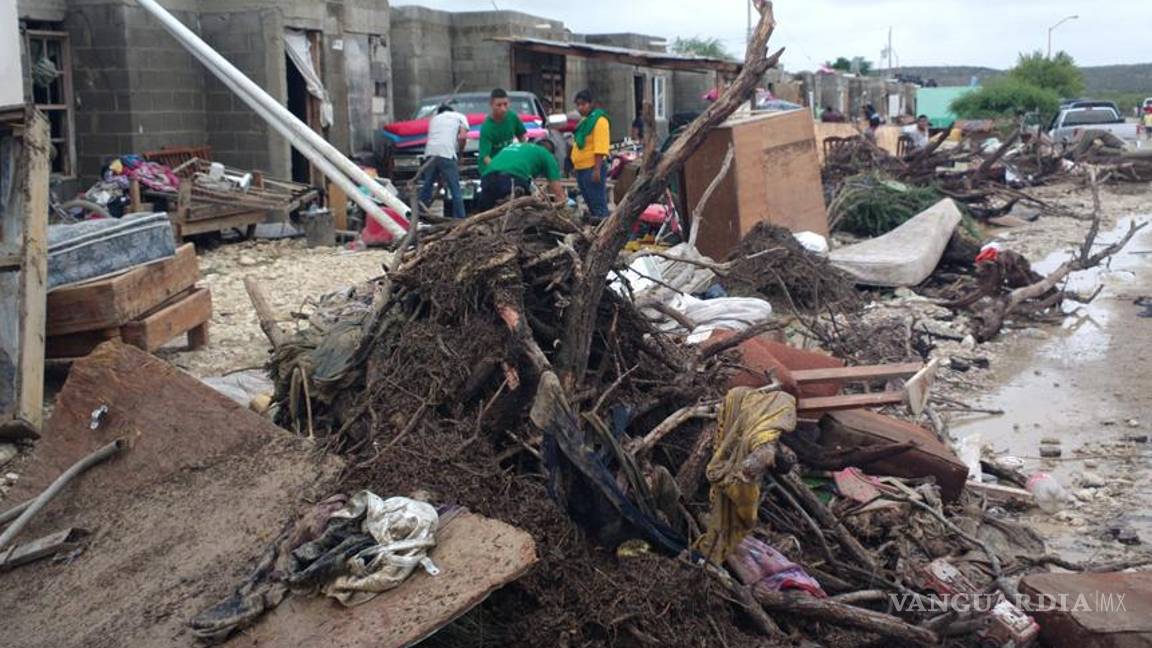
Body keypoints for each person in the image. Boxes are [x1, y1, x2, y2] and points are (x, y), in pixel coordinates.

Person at [476, 140, 566, 211]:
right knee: (522, 213)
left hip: (487, 177)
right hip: (512, 179)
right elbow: (557, 189)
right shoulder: (546, 154)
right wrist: (563, 210)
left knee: (486, 215)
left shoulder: (518, 147)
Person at [417, 104, 469, 219]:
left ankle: (418, 217)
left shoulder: (434, 119)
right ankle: (460, 220)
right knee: (455, 189)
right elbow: (462, 137)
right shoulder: (459, 116)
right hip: (447, 154)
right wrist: (460, 155)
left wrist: (441, 179)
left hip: (430, 154)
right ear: (452, 111)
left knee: (427, 187)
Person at [570, 89, 611, 221]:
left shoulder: (599, 121)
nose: (580, 108)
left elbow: (600, 147)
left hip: (592, 168)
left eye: (583, 104)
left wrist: (597, 169)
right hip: (582, 168)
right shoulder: (585, 122)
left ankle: (604, 232)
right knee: (590, 204)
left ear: (591, 103)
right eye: (578, 105)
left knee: (598, 204)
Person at [478, 88, 527, 174]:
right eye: (499, 105)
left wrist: (524, 155)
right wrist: (499, 169)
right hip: (491, 169)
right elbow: (485, 157)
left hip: (509, 164)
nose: (503, 109)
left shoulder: (512, 117)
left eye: (505, 104)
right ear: (491, 105)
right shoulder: (487, 127)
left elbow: (522, 137)